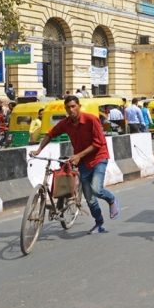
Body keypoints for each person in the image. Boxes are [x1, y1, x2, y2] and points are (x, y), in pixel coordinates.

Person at [31, 96, 120, 234]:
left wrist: (78, 155)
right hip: (83, 162)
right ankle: (99, 223)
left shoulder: (91, 120)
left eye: (73, 106)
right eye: (68, 107)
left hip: (98, 158)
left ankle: (112, 199)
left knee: (96, 189)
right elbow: (50, 134)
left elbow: (98, 143)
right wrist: (38, 150)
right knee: (90, 199)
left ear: (79, 106)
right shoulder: (65, 123)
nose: (71, 110)